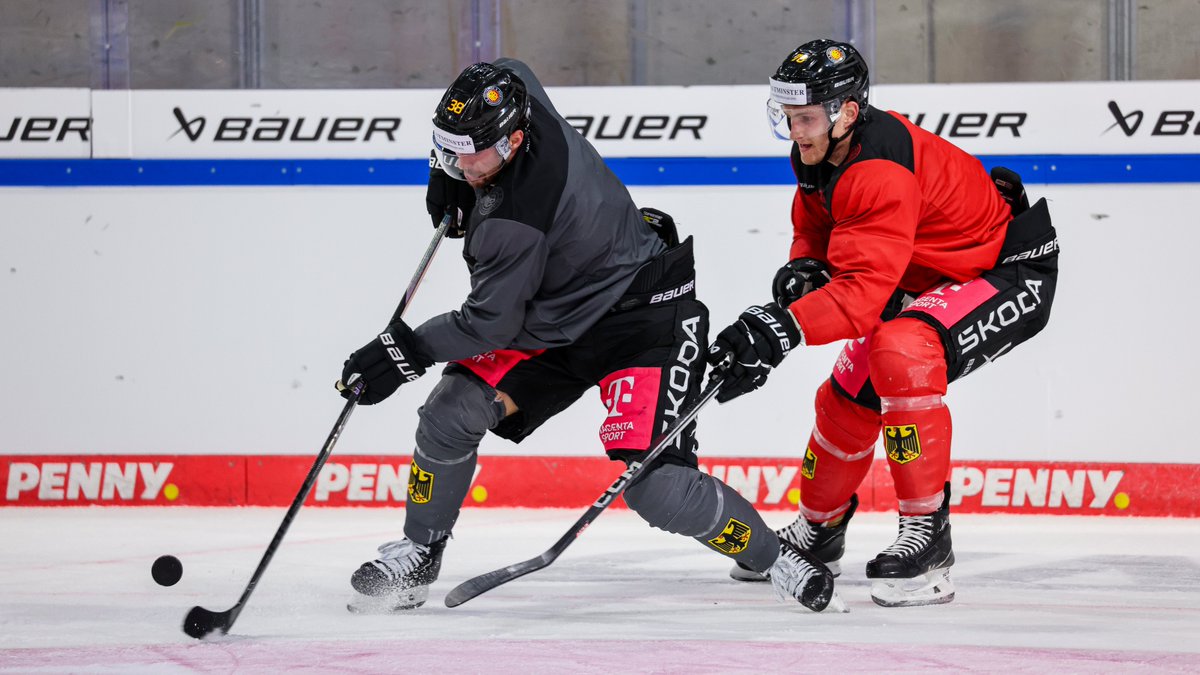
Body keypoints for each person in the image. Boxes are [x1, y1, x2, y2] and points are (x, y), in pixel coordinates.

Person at [337, 58, 840, 613]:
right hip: (555, 321)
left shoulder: (512, 222)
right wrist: (449, 175)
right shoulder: (519, 101)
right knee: (450, 410)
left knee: (658, 489)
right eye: (446, 148)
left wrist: (406, 350)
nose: (459, 162)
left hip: (644, 320)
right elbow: (510, 66)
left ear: (514, 139)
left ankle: (776, 559)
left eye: (469, 153)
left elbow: (488, 324)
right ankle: (420, 551)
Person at [707, 39, 1059, 607]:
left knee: (899, 348)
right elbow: (819, 222)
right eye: (788, 118)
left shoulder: (879, 169)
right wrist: (805, 263)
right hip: (926, 276)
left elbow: (862, 298)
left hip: (1005, 271)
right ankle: (819, 532)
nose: (797, 132)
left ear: (848, 110)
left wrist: (783, 326)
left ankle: (929, 539)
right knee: (845, 396)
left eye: (807, 118)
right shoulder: (821, 149)